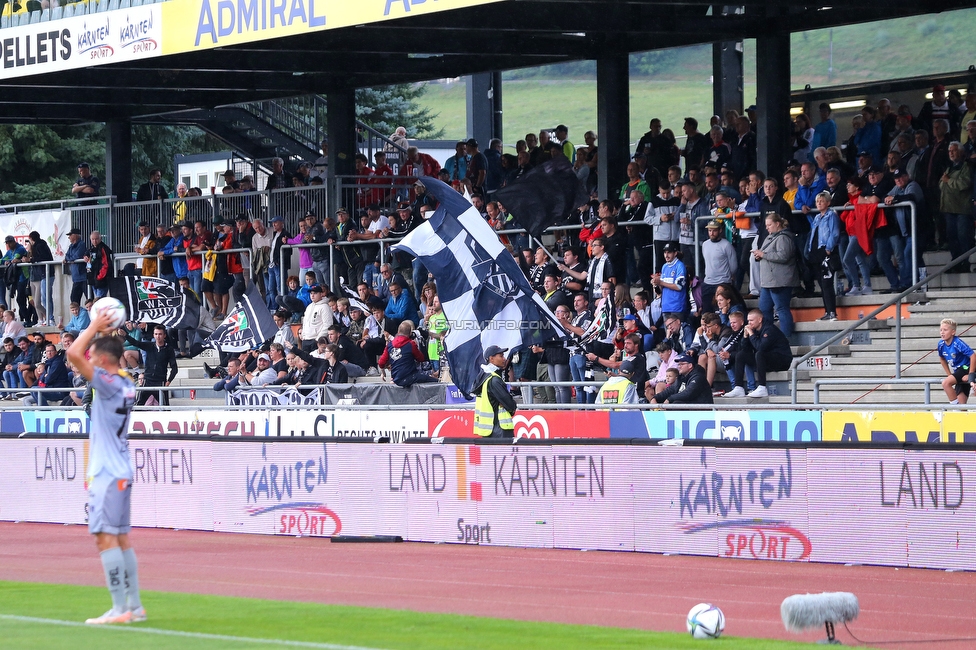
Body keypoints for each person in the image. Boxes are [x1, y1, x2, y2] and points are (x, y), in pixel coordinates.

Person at [65, 310, 144, 625]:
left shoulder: (109, 382)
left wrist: (94, 327)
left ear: (105, 359)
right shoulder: (126, 383)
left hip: (108, 472)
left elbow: (72, 353)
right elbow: (83, 356)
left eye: (94, 355)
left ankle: (118, 609)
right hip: (121, 467)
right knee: (122, 538)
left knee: (103, 536)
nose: (89, 360)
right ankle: (135, 607)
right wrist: (101, 335)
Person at [724, 309, 792, 399]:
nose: (749, 323)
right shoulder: (754, 330)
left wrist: (751, 334)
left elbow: (760, 347)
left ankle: (762, 387)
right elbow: (744, 349)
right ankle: (738, 387)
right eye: (748, 320)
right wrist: (745, 336)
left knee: (760, 354)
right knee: (741, 354)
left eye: (751, 320)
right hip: (767, 360)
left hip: (782, 360)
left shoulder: (769, 329)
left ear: (760, 320)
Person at [753, 213, 799, 337]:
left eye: (769, 225)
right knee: (764, 309)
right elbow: (765, 254)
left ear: (777, 224)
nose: (767, 228)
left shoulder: (784, 238)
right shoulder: (769, 237)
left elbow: (783, 256)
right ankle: (769, 336)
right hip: (767, 281)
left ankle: (785, 338)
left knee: (781, 308)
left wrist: (763, 255)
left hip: (780, 281)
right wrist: (759, 256)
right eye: (766, 225)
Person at [123, 323, 178, 406]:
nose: (158, 336)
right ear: (153, 335)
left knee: (165, 407)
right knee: (138, 406)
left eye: (160, 334)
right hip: (147, 380)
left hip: (160, 382)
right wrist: (126, 335)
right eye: (156, 334)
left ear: (164, 335)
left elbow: (174, 368)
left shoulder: (169, 349)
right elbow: (136, 343)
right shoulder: (150, 346)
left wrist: (168, 381)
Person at [808, 191, 841, 321]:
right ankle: (827, 311)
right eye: (817, 201)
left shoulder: (831, 215)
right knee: (821, 284)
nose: (819, 203)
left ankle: (832, 312)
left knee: (827, 282)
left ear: (828, 202)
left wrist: (828, 249)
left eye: (822, 201)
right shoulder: (816, 218)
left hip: (825, 251)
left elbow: (835, 233)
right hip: (816, 252)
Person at [473, 345, 517, 438]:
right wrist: (511, 405)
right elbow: (510, 405)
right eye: (501, 356)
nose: (504, 359)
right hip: (500, 430)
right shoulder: (494, 379)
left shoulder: (484, 377)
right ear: (491, 359)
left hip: (489, 430)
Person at [377, 320, 437, 388]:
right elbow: (421, 358)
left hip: (396, 379)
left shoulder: (390, 345)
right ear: (410, 333)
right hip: (410, 377)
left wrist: (383, 373)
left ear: (398, 331)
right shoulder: (411, 344)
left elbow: (381, 362)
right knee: (434, 381)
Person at [938, 318, 976, 406]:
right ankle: (959, 408)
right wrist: (949, 374)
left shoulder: (958, 343)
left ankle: (955, 406)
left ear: (953, 332)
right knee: (962, 404)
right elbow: (942, 358)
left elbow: (973, 355)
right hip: (958, 372)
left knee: (946, 383)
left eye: (945, 330)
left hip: (966, 367)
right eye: (941, 330)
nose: (942, 332)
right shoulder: (941, 344)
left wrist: (970, 375)